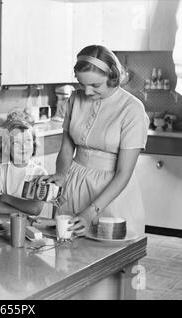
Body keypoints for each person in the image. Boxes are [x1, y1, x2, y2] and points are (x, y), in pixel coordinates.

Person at [36, 45, 149, 236]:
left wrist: (91, 211)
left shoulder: (132, 109)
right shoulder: (75, 98)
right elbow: (67, 146)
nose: (87, 92)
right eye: (82, 84)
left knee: (109, 253)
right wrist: (62, 174)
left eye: (95, 85)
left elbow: (124, 172)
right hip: (74, 182)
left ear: (113, 77)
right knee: (67, 249)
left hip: (111, 190)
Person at [0, 108, 47, 216]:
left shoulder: (40, 174)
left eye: (28, 140)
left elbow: (35, 209)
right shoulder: (1, 170)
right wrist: (20, 211)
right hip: (4, 224)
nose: (23, 147)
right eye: (16, 142)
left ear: (34, 143)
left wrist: (6, 198)